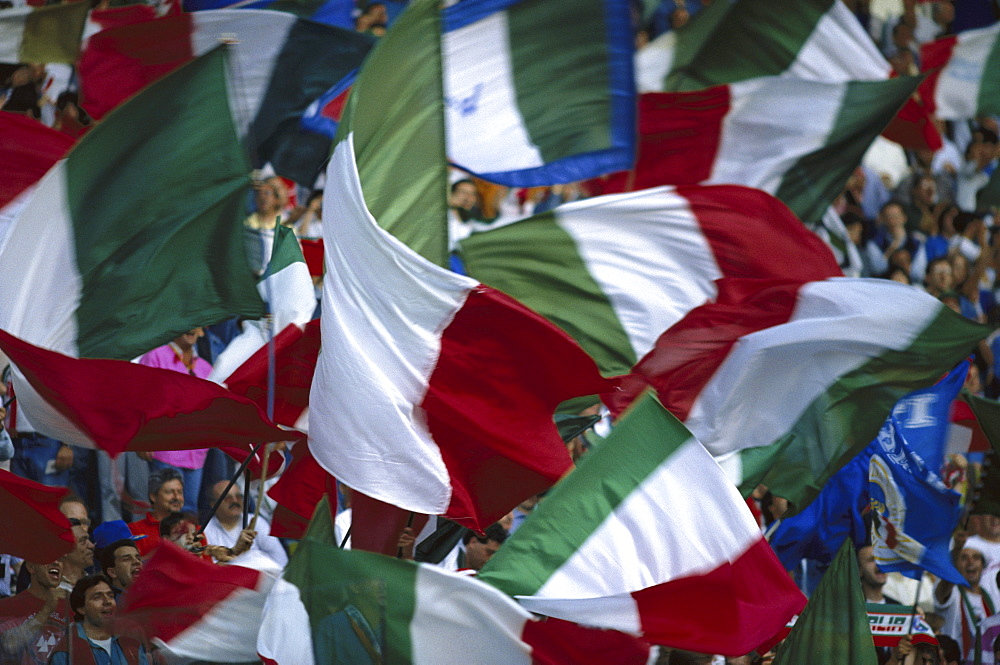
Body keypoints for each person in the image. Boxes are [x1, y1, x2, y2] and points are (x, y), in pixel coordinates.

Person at [137, 330, 211, 514]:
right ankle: (163, 544)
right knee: (165, 509)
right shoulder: (156, 356)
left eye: (197, 325)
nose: (192, 329)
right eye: (188, 324)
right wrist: (141, 437)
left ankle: (184, 545)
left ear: (202, 331)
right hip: (165, 449)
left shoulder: (205, 367)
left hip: (197, 452)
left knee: (189, 511)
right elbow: (141, 398)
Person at [48, 575, 150, 665]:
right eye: (97, 597)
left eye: (110, 596)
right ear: (81, 609)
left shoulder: (131, 642)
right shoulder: (66, 651)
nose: (107, 601)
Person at [0, 557, 71, 664]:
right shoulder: (9, 606)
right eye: (48, 558)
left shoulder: (73, 603)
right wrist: (46, 610)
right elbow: (8, 646)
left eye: (60, 559)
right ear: (31, 567)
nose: (56, 562)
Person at [201, 481, 287, 567]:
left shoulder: (256, 522)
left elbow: (281, 560)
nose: (235, 501)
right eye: (227, 498)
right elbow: (211, 568)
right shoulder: (205, 531)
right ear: (213, 504)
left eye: (239, 497)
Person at [934, 547, 997, 662]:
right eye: (964, 558)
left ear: (982, 565)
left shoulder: (991, 596)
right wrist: (957, 547)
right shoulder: (952, 591)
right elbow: (942, 592)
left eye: (976, 558)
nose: (970, 562)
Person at [127, 468, 184, 557]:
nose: (177, 497)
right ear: (153, 496)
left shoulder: (192, 528)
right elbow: (133, 567)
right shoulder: (134, 530)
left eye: (180, 492)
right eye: (169, 492)